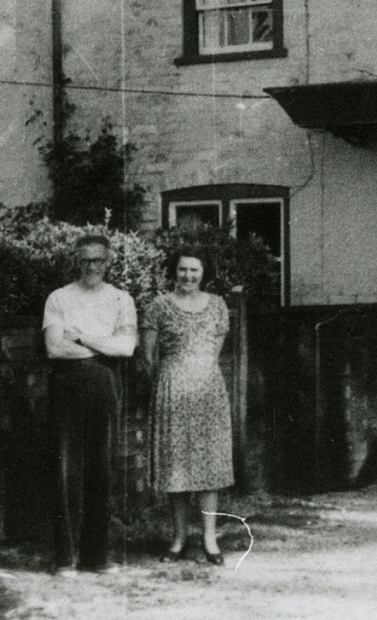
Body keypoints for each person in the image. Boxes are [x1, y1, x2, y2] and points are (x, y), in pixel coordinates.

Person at [43, 234, 138, 576]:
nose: (92, 266)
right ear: (76, 261)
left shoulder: (120, 299)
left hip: (104, 383)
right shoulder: (59, 298)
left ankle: (96, 557)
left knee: (101, 467)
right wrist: (103, 345)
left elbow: (126, 347)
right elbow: (55, 348)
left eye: (98, 260)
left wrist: (82, 337)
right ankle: (64, 558)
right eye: (86, 260)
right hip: (66, 383)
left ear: (108, 262)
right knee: (65, 467)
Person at [140, 250, 233, 565]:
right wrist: (172, 378)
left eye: (194, 270)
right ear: (173, 272)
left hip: (208, 390)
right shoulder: (158, 307)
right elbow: (149, 357)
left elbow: (215, 351)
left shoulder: (218, 305)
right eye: (182, 270)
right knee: (176, 467)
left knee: (209, 467)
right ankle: (178, 538)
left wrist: (198, 372)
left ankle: (209, 539)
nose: (188, 276)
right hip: (173, 390)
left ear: (203, 273)